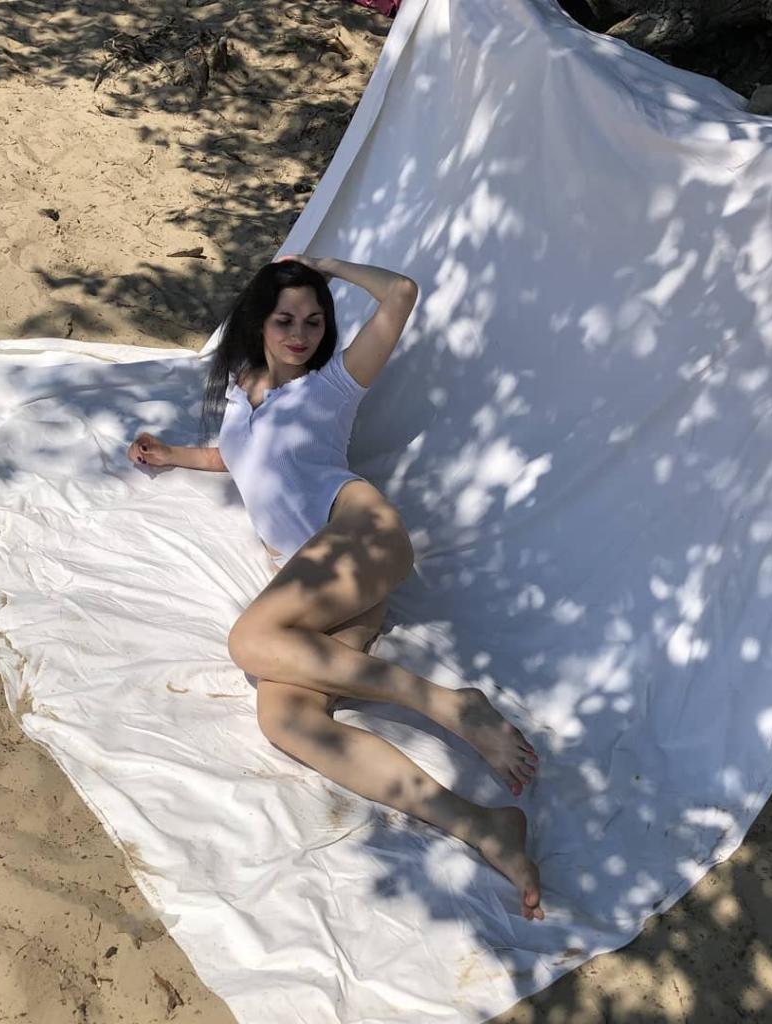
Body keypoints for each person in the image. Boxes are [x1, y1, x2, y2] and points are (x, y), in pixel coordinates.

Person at [127, 255, 543, 920]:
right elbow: (240, 457)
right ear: (258, 322)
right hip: (326, 583)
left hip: (362, 533)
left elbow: (401, 293)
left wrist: (322, 265)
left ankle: (447, 705)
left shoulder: (333, 386)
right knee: (286, 720)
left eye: (314, 321)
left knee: (248, 640)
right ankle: (482, 826)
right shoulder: (239, 387)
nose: (300, 334)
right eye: (285, 320)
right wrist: (174, 455)